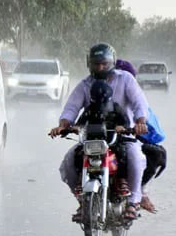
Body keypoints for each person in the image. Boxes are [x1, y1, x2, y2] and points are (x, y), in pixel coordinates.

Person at [49, 43, 148, 221]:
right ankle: (82, 201)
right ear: (89, 64)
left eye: (104, 63)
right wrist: (64, 125)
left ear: (112, 62)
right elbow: (71, 109)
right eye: (96, 63)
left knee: (134, 157)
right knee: (69, 162)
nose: (100, 67)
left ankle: (133, 201)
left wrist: (140, 123)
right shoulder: (85, 84)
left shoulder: (125, 79)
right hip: (92, 138)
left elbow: (139, 103)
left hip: (122, 136)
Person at [115, 58, 167, 213]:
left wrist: (138, 127)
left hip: (128, 139)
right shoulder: (96, 91)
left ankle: (139, 192)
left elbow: (154, 131)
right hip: (102, 138)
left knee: (155, 154)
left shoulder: (137, 99)